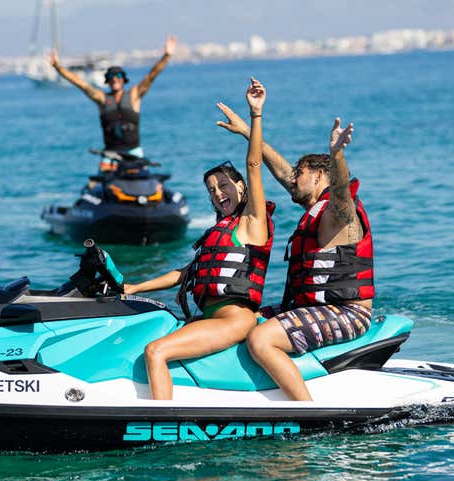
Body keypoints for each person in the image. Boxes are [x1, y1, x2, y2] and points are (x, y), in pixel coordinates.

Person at [124, 78, 274, 400]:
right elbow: (183, 274)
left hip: (233, 319)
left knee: (156, 351)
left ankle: (157, 424)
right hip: (209, 318)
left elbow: (253, 165)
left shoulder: (252, 223)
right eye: (211, 190)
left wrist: (255, 116)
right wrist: (132, 288)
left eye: (224, 185)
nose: (218, 194)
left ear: (241, 187)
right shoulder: (220, 233)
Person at [216, 103, 374, 401]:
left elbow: (341, 194)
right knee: (240, 317)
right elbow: (280, 170)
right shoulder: (314, 207)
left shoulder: (337, 215)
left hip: (347, 312)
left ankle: (308, 411)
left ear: (318, 177)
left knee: (261, 338)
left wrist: (337, 156)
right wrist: (247, 132)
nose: (291, 178)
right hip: (313, 307)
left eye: (299, 173)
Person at [50, 36, 177, 170]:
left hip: (133, 153)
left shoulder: (134, 95)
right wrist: (58, 67)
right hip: (110, 155)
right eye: (111, 77)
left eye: (118, 77)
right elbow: (81, 84)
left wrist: (167, 56)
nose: (115, 79)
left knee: (143, 181)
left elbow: (151, 76)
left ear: (123, 80)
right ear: (107, 81)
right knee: (101, 183)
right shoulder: (102, 99)